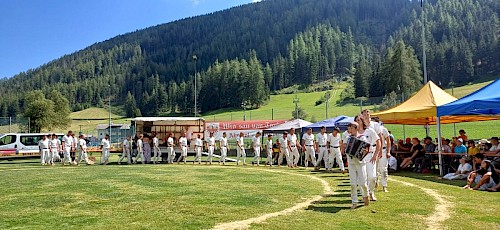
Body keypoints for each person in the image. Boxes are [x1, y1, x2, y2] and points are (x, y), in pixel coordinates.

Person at [344, 121, 370, 209]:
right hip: (351, 162)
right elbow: (345, 148)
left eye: (351, 128)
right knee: (353, 183)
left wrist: (360, 154)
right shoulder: (348, 138)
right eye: (349, 128)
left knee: (363, 183)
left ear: (356, 129)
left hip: (360, 163)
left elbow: (366, 149)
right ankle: (354, 202)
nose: (350, 130)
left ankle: (366, 195)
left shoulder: (362, 138)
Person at [355, 115, 380, 201]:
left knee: (372, 177)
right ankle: (365, 195)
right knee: (362, 177)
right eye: (356, 120)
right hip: (359, 157)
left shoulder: (369, 131)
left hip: (370, 155)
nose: (358, 122)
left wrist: (375, 155)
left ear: (362, 121)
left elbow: (378, 142)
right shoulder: (354, 133)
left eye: (359, 120)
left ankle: (371, 192)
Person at [377, 123, 391, 192]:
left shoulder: (383, 129)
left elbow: (388, 141)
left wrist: (388, 151)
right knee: (375, 169)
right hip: (374, 150)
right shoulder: (369, 129)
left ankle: (384, 185)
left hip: (383, 150)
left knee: (383, 169)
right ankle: (375, 182)